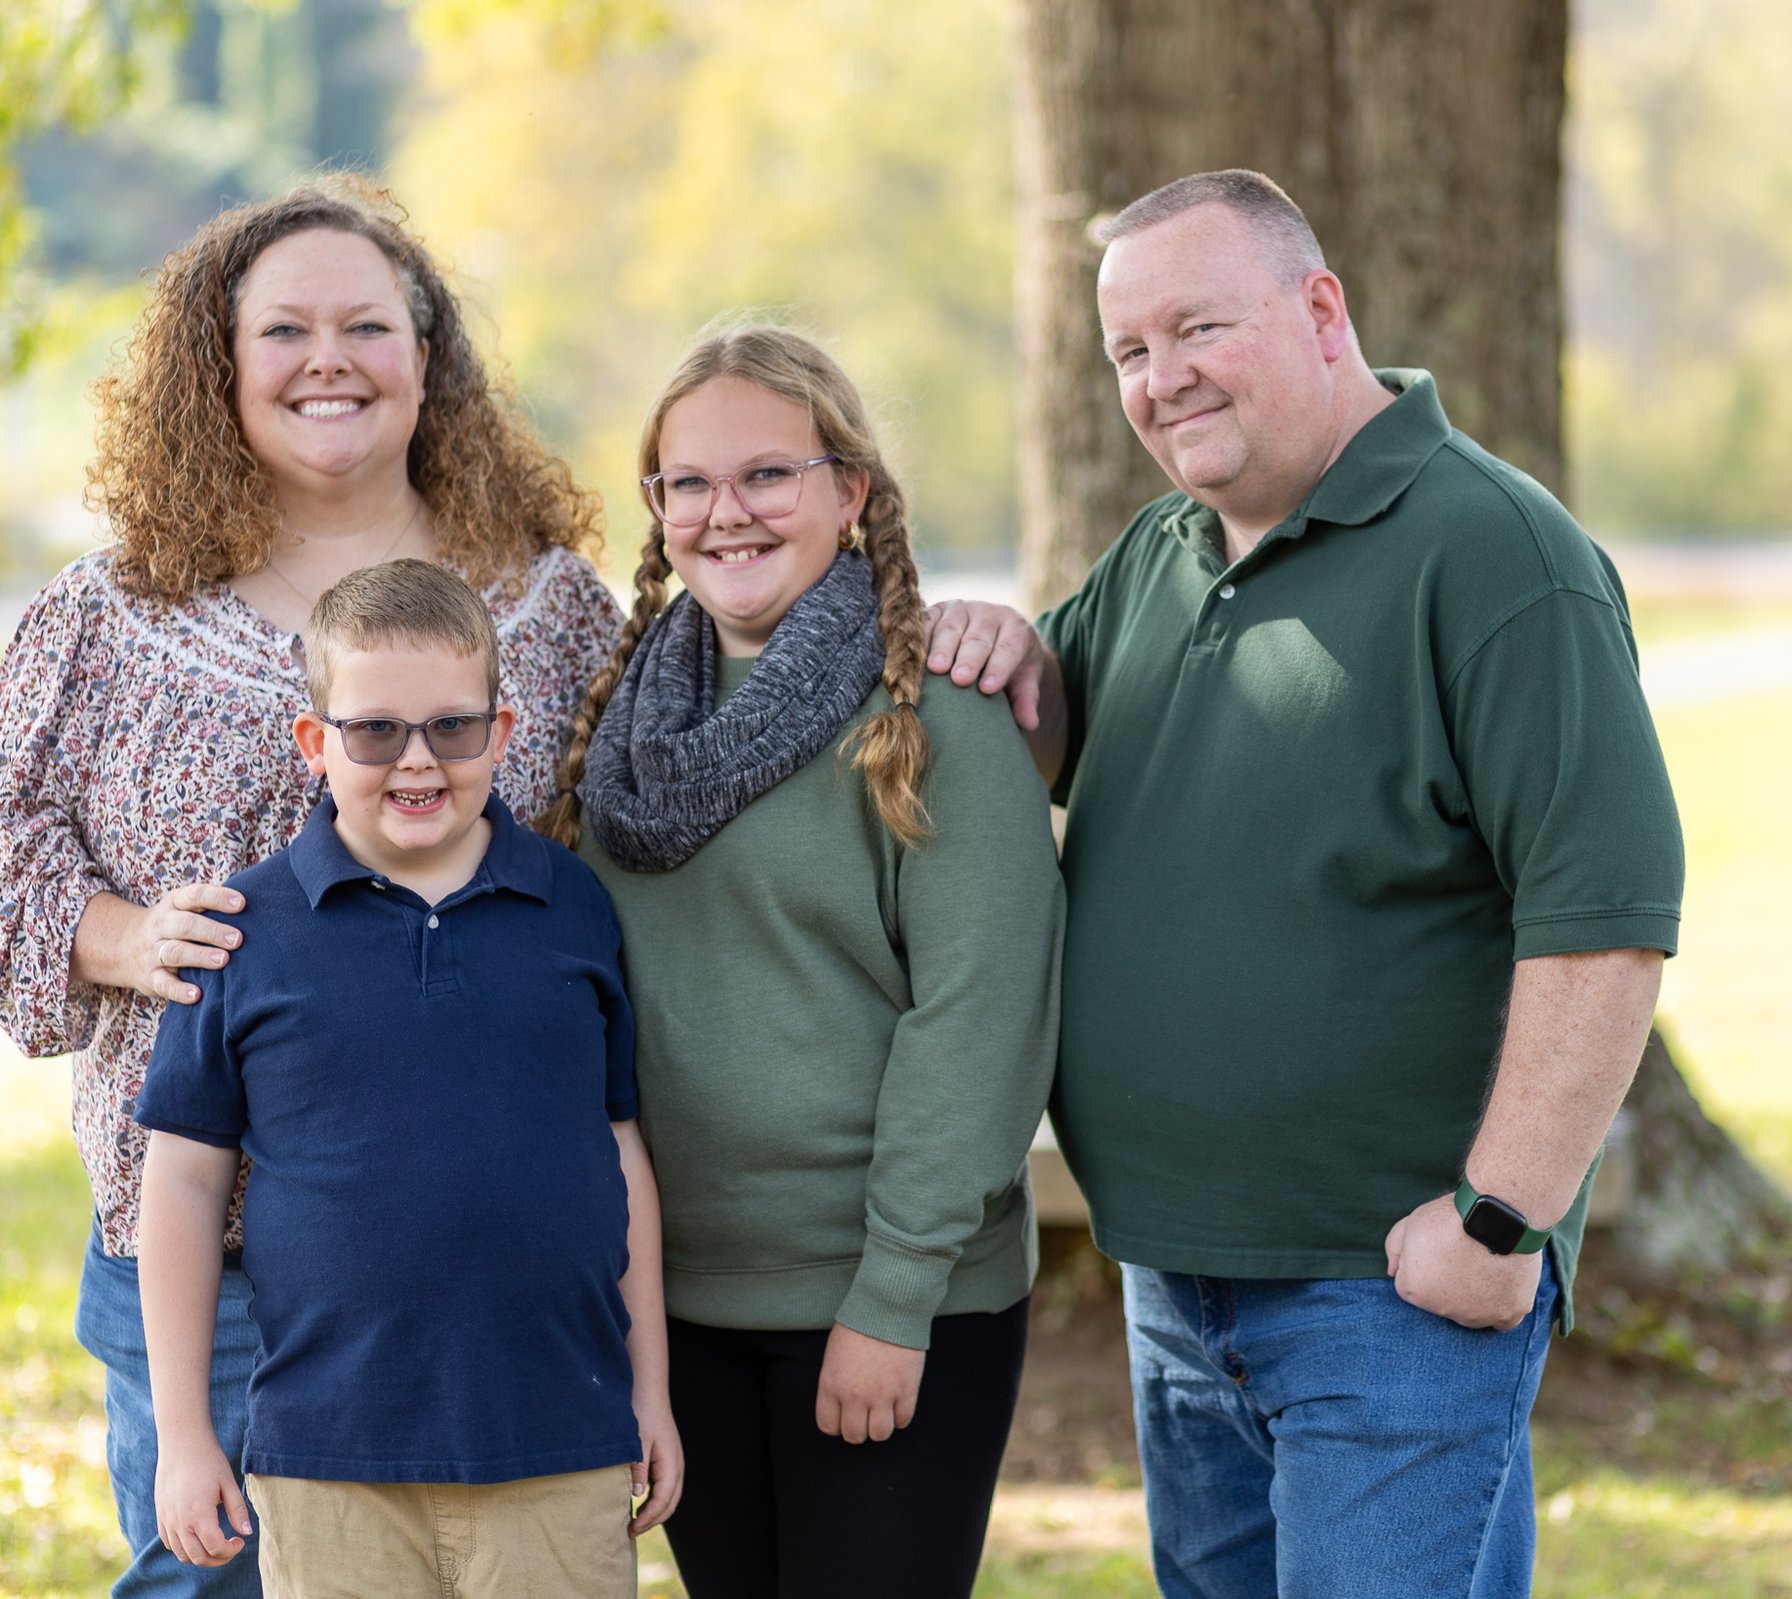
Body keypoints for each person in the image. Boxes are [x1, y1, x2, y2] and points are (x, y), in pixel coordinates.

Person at [924, 170, 1684, 1599]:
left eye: (1196, 327)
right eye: (1130, 351)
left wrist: (1501, 1218)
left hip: (1385, 1293)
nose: (1159, 380)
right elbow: (1048, 726)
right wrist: (994, 646)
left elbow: (1609, 920)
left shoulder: (1499, 557)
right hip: (1176, 1282)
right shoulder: (1165, 550)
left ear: (1321, 308)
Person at [0, 176, 621, 1597]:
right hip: (206, 1232)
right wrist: (122, 935)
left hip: (477, 1241)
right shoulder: (111, 609)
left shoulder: (548, 607)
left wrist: (937, 637)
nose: (330, 359)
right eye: (285, 328)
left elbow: (644, 829)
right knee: (210, 1577)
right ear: (220, 365)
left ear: (428, 358)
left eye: (369, 325)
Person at [541, 324, 1065, 1599]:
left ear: (850, 494)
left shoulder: (932, 714)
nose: (725, 514)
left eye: (767, 475)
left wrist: (893, 1296)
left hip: (886, 1300)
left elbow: (978, 1020)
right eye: (687, 485)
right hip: (673, 1303)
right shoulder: (615, 730)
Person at [133, 560, 678, 1598]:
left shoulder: (572, 906)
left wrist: (648, 1393)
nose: (416, 761)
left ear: (501, 734)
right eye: (374, 730)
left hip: (558, 1441)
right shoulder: (240, 932)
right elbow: (183, 1186)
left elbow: (618, 1155)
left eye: (452, 729)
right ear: (315, 741)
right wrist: (183, 1435)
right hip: (329, 1456)